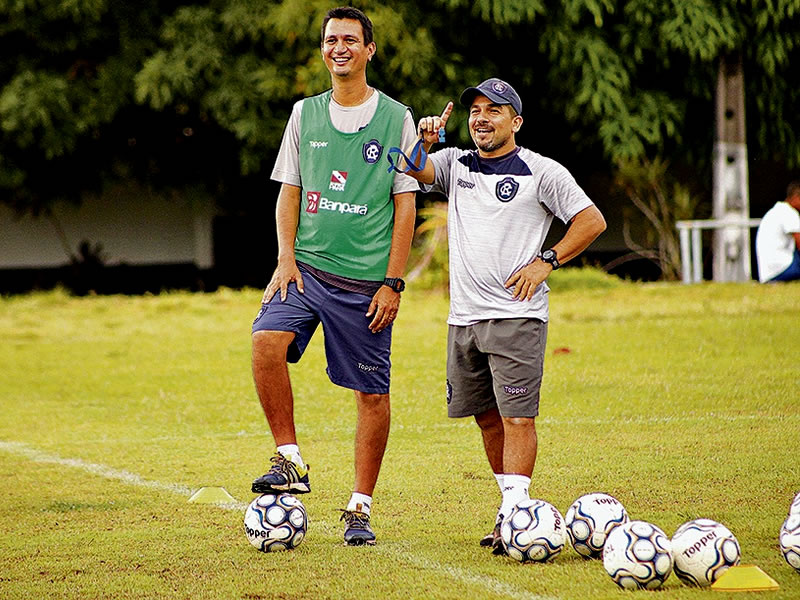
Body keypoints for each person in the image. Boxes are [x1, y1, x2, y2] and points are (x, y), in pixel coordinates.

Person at [397, 78, 606, 553]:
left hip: (517, 317)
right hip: (463, 319)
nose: (481, 118)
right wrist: (423, 141)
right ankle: (509, 507)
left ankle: (516, 513)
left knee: (516, 419)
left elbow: (591, 221)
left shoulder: (541, 171)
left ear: (516, 122)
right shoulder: (456, 163)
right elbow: (412, 169)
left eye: (495, 111)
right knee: (486, 418)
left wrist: (547, 260)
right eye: (475, 110)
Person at [250, 6, 418, 546]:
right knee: (265, 344)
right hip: (305, 270)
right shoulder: (304, 115)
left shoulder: (397, 117)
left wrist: (393, 283)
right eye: (330, 40)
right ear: (322, 50)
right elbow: (290, 192)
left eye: (350, 39)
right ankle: (289, 458)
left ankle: (359, 509)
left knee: (370, 396)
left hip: (367, 285)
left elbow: (406, 206)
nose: (338, 47)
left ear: (369, 50)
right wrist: (284, 257)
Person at [755, 181, 800, 283]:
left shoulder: (776, 211)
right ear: (796, 197)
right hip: (782, 269)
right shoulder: (790, 213)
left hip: (768, 273)